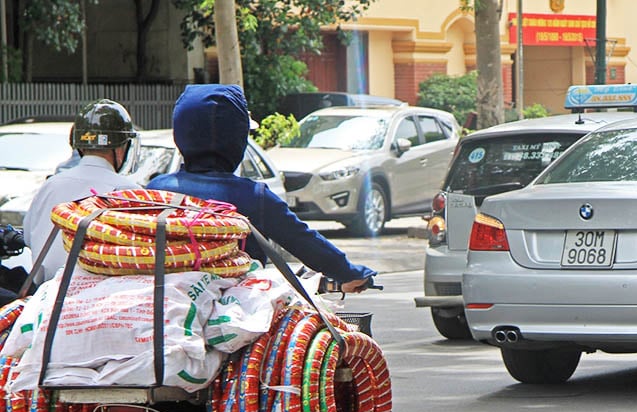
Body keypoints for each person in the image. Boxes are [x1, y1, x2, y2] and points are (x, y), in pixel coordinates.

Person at [147, 84, 375, 292]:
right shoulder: (254, 197)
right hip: (237, 317)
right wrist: (352, 273)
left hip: (160, 311)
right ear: (236, 138)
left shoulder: (156, 190)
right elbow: (307, 244)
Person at [24, 99, 138, 284]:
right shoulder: (128, 192)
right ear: (121, 147)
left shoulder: (51, 185)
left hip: (45, 300)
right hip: (101, 303)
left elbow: (29, 237)